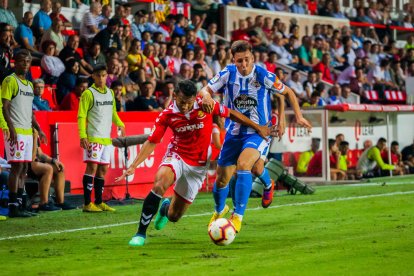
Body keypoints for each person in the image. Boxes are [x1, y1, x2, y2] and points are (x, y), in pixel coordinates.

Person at [115, 80, 271, 246]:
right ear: (175, 96)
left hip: (198, 166)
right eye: (182, 102)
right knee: (160, 183)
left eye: (189, 103)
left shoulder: (204, 104)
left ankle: (165, 208)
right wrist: (133, 165)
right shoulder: (167, 115)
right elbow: (152, 141)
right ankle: (140, 234)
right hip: (177, 155)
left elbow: (231, 113)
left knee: (174, 216)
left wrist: (257, 126)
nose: (185, 106)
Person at [199, 40, 312, 233]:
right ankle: (223, 209)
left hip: (259, 131)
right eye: (239, 61)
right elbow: (204, 90)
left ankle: (237, 217)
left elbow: (287, 92)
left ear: (253, 57)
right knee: (223, 179)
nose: (243, 65)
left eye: (247, 60)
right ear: (233, 60)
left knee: (244, 165)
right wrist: (207, 96)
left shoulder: (263, 75)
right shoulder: (227, 73)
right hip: (234, 132)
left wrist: (297, 116)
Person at [1, 50, 46, 217]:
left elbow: (30, 112)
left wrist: (39, 129)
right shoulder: (10, 80)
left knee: (25, 167)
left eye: (28, 61)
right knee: (16, 166)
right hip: (16, 131)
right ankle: (13, 206)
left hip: (27, 131)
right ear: (15, 62)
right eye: (22, 61)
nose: (25, 64)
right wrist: (10, 127)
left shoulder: (28, 84)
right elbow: (4, 106)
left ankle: (20, 204)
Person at [78, 65, 125, 212]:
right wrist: (82, 135)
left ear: (107, 76)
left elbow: (113, 113)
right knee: (92, 167)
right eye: (98, 75)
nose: (101, 78)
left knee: (103, 169)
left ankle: (98, 202)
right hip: (94, 137)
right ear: (93, 76)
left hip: (106, 138)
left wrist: (120, 124)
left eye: (104, 75)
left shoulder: (110, 93)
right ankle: (87, 203)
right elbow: (81, 116)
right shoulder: (88, 93)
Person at [28, 128, 76, 211]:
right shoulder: (27, 133)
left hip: (36, 162)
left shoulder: (34, 131)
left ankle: (60, 202)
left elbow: (40, 154)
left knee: (59, 168)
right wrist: (35, 137)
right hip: (26, 164)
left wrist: (54, 161)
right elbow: (31, 158)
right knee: (48, 169)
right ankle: (44, 203)